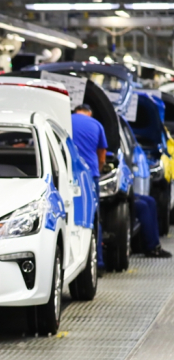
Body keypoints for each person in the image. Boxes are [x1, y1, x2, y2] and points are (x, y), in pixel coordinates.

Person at [71, 104, 107, 272]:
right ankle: (97, 263)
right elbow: (102, 156)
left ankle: (74, 260)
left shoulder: (65, 120)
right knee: (92, 218)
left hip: (69, 174)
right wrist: (97, 171)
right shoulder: (96, 125)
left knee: (71, 217)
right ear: (89, 112)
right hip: (90, 176)